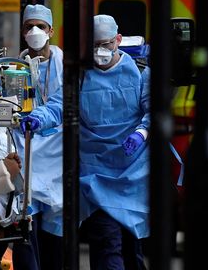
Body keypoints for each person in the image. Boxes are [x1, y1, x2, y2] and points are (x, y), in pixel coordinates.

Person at [78, 15, 150, 270]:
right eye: (94, 45)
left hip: (132, 174)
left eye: (106, 44)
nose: (100, 51)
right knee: (107, 243)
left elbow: (154, 110)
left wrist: (141, 133)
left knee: (131, 248)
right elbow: (58, 106)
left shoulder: (140, 72)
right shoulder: (80, 76)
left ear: (118, 40)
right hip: (95, 174)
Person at [14, 5, 64, 270]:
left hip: (58, 154)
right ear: (22, 32)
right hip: (27, 151)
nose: (34, 31)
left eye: (40, 26)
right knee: (26, 226)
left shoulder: (66, 67)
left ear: (51, 31)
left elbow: (64, 103)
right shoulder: (10, 70)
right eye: (28, 26)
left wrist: (41, 118)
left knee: (55, 235)